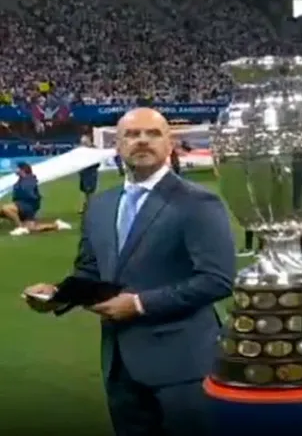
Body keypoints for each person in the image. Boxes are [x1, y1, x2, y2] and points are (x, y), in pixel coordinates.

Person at [22, 107, 236, 436]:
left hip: (184, 367)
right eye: (132, 135)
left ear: (169, 145)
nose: (142, 141)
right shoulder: (100, 205)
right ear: (118, 146)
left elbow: (217, 279)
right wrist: (56, 296)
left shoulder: (198, 202)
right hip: (120, 367)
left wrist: (138, 304)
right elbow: (90, 271)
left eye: (153, 133)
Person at [3, 162, 72, 236]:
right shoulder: (21, 180)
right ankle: (57, 225)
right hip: (21, 205)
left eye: (17, 168)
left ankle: (20, 227)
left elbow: (30, 194)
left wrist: (34, 197)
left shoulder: (29, 180)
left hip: (27, 207)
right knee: (32, 228)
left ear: (22, 170)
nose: (15, 170)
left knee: (6, 208)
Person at [79, 134, 100, 213]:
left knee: (90, 191)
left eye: (84, 142)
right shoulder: (81, 150)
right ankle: (85, 207)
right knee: (84, 191)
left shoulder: (94, 149)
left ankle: (90, 207)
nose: (83, 143)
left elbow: (97, 163)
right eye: (82, 142)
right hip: (83, 173)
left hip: (91, 173)